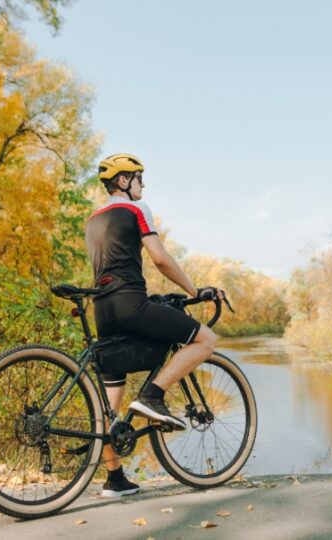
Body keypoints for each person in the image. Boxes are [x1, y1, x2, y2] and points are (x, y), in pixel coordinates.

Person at [85, 153, 222, 497]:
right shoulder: (135, 210)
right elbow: (159, 258)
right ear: (123, 182)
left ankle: (114, 479)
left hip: (102, 309)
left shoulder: (93, 219)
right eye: (139, 178)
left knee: (111, 404)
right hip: (130, 303)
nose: (143, 184)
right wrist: (195, 290)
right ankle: (153, 395)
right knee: (206, 340)